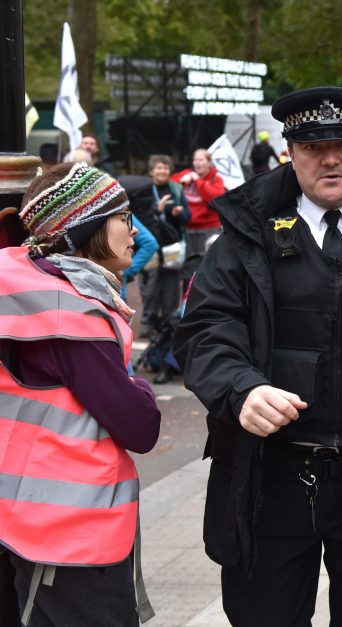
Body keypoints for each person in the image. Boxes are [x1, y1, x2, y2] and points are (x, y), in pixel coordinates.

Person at [171, 86, 342, 627]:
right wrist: (240, 389)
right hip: (270, 477)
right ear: (290, 151)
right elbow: (204, 330)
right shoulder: (244, 236)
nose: (329, 158)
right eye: (313, 146)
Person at [2, 162, 161, 625]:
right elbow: (141, 425)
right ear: (84, 227)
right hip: (70, 538)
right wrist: (141, 387)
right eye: (122, 218)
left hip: (41, 524)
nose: (133, 231)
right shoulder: (70, 316)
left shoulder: (35, 294)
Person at [130, 154, 191, 329]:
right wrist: (157, 209)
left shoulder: (176, 189)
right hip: (150, 245)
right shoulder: (144, 189)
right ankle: (148, 322)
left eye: (165, 167)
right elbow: (138, 214)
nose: (162, 171)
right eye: (159, 167)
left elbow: (188, 217)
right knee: (150, 286)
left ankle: (169, 323)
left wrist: (180, 213)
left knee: (171, 284)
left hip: (172, 245)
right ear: (151, 171)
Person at [171, 148, 226, 262]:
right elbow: (170, 184)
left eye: (201, 160)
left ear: (209, 163)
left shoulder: (216, 179)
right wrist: (182, 182)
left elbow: (216, 199)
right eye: (195, 160)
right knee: (189, 263)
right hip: (188, 229)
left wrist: (198, 182)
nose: (197, 163)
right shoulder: (187, 174)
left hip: (209, 229)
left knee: (209, 262)